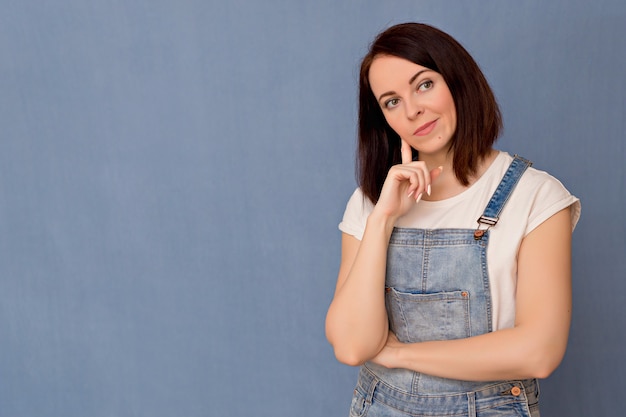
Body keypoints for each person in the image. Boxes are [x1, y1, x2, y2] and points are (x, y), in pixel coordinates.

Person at [325, 22, 581, 417]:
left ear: (457, 80)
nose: (412, 110)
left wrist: (398, 354)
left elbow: (539, 351)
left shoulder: (536, 196)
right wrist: (383, 219)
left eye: (424, 84)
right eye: (391, 101)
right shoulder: (373, 201)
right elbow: (352, 346)